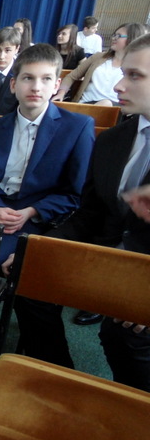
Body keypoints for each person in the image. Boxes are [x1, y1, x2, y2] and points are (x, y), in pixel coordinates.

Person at [10, 33, 150, 389]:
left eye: (135, 76)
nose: (118, 85)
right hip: (105, 253)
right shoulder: (113, 140)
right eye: (124, 73)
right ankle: (59, 379)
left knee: (127, 336)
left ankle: (132, 409)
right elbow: (89, 214)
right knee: (29, 281)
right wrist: (39, 250)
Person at [0, 44, 94, 312]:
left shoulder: (77, 128)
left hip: (30, 219)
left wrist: (31, 212)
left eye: (46, 79)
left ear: (56, 85)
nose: (36, 87)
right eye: (28, 78)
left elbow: (74, 194)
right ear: (13, 84)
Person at [53, 23, 147, 105]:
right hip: (85, 104)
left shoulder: (138, 66)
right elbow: (72, 76)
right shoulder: (98, 57)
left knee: (106, 103)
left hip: (115, 109)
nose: (114, 38)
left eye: (118, 36)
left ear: (132, 39)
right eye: (114, 35)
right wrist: (61, 93)